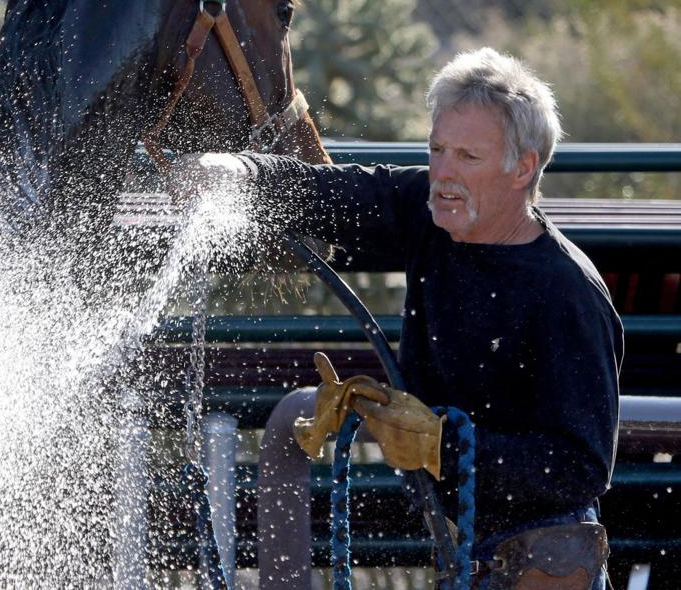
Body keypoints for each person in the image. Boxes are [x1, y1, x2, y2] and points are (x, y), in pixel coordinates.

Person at [181, 48, 622, 588]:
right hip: (463, 550)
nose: (445, 172)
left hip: (544, 562)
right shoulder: (428, 212)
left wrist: (442, 445)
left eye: (468, 157)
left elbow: (579, 466)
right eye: (437, 149)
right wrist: (241, 174)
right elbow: (335, 197)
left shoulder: (566, 292)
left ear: (523, 167)